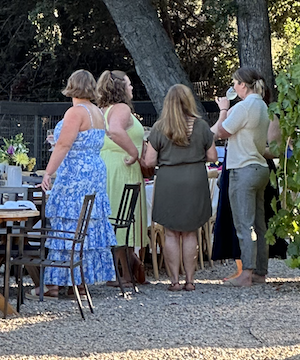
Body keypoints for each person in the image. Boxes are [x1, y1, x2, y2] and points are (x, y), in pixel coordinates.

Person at [34, 70, 116, 294]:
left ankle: (55, 283)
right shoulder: (97, 112)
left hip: (75, 174)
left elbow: (64, 146)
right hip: (94, 171)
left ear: (71, 86)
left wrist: (48, 172)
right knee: (86, 224)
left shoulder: (75, 112)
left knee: (68, 223)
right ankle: (79, 280)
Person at [143, 84, 213, 291]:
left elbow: (149, 162)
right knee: (191, 232)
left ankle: (174, 280)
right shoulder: (201, 126)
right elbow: (212, 157)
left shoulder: (159, 128)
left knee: (171, 233)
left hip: (169, 179)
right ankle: (190, 280)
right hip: (195, 179)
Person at [211, 67, 276, 286]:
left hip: (243, 169)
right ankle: (260, 270)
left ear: (243, 85)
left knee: (244, 224)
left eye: (235, 83)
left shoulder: (244, 106)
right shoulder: (262, 105)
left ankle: (246, 273)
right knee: (259, 223)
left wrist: (223, 110)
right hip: (260, 167)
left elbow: (221, 132)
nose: (233, 87)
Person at [96, 71, 149, 290]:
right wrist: (134, 153)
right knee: (122, 217)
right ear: (119, 88)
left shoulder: (102, 110)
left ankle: (126, 267)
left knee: (118, 216)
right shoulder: (122, 108)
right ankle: (124, 274)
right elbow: (115, 131)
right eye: (128, 84)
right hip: (122, 165)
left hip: (110, 165)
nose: (132, 88)